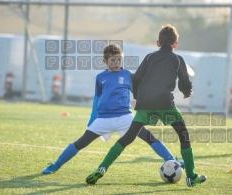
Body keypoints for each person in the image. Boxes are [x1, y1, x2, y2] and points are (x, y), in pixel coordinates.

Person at [85, 24, 207, 187]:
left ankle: (102, 167)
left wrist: (139, 97)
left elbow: (135, 78)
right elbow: (185, 82)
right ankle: (191, 176)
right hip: (165, 104)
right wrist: (187, 91)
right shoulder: (178, 59)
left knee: (128, 137)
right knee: (183, 135)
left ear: (158, 43)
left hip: (146, 104)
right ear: (175, 44)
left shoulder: (149, 57)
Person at [42, 44, 183, 174]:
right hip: (103, 118)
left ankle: (172, 160)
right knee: (81, 143)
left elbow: (139, 94)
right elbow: (97, 98)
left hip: (125, 117)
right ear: (105, 61)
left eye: (119, 60)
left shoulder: (128, 75)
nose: (116, 64)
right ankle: (55, 165)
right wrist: (93, 117)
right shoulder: (100, 77)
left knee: (149, 137)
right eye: (113, 60)